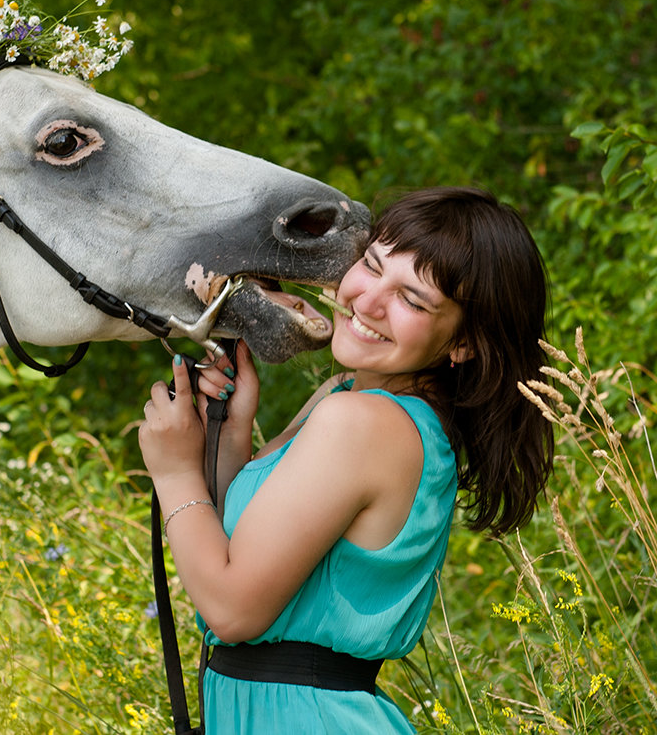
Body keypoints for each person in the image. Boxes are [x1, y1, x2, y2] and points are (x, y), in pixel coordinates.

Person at [138, 187, 554, 733]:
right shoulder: (348, 396)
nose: (367, 301)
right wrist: (233, 431)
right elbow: (236, 547)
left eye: (412, 300)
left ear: (464, 343)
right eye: (372, 266)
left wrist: (173, 473)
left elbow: (234, 611)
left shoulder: (364, 424)